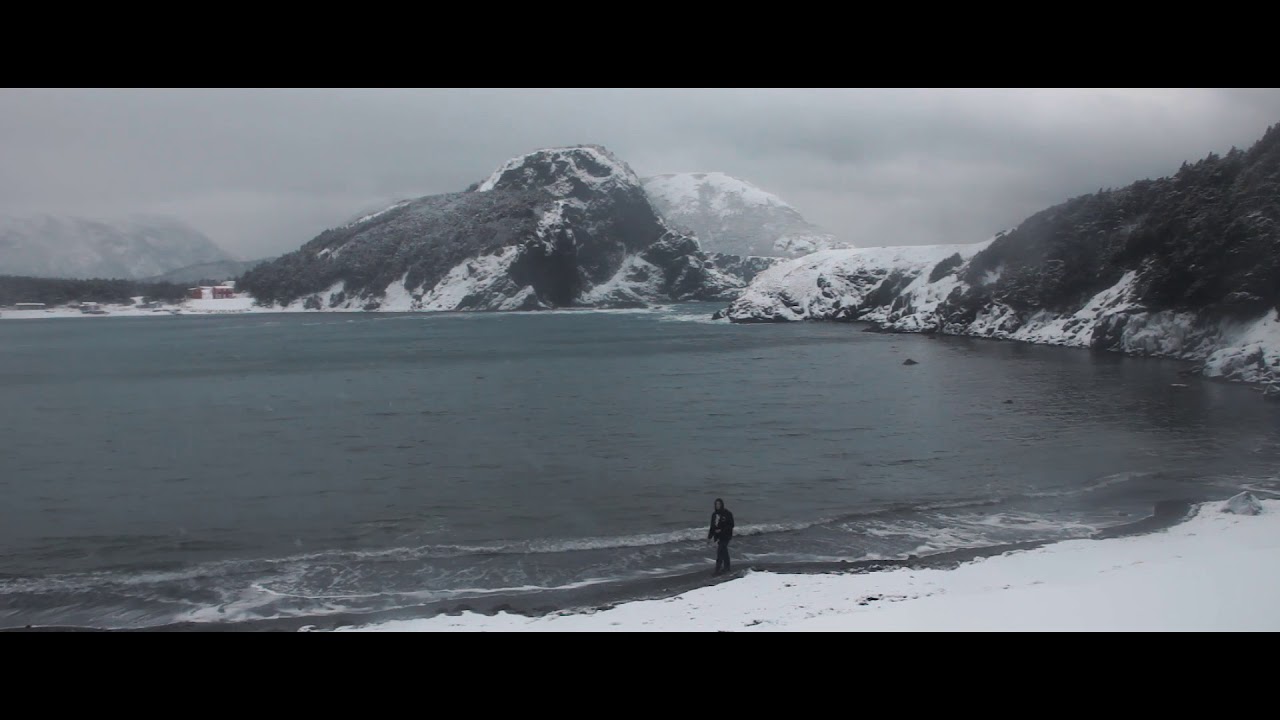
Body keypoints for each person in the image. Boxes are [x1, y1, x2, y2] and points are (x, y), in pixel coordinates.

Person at [707, 498, 735, 575]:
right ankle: (727, 567)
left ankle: (717, 569)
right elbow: (712, 527)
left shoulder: (727, 513)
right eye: (716, 504)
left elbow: (731, 525)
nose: (717, 506)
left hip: (726, 535)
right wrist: (709, 537)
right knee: (724, 551)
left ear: (722, 504)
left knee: (720, 551)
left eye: (719, 504)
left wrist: (721, 530)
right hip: (718, 536)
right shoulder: (714, 515)